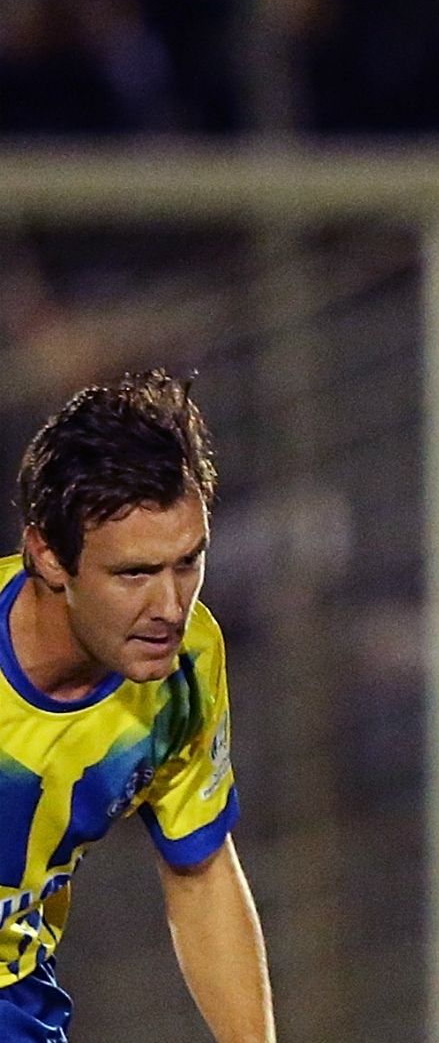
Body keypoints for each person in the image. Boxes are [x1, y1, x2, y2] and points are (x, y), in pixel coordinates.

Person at [0, 370, 273, 1042]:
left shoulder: (186, 664)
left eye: (187, 563)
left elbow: (200, 871)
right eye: (133, 575)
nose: (170, 608)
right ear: (48, 557)